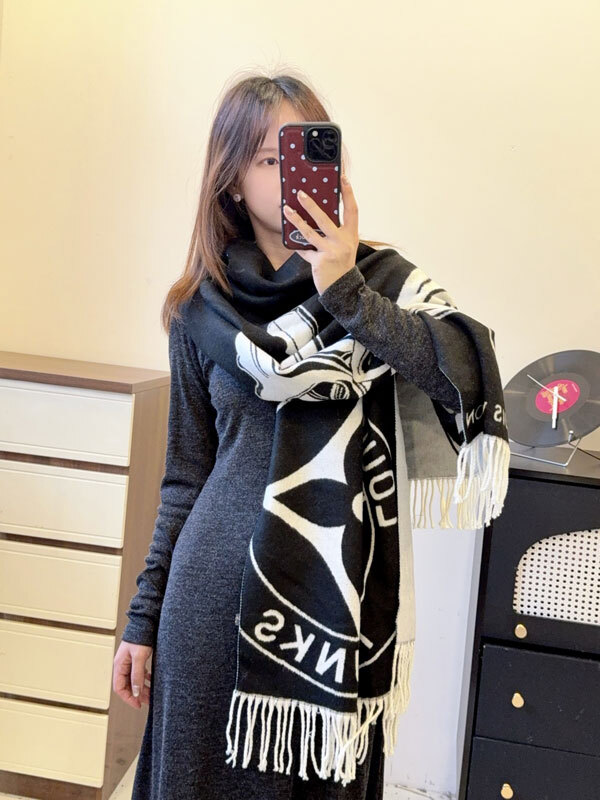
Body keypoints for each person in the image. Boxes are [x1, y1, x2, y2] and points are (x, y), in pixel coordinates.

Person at [112, 71, 465, 800]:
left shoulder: (383, 286)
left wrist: (346, 291)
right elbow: (185, 477)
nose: (290, 175)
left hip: (330, 613)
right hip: (210, 602)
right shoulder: (201, 308)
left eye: (306, 152)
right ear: (232, 182)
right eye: (269, 159)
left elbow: (453, 374)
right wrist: (142, 619)